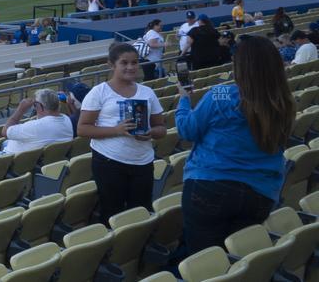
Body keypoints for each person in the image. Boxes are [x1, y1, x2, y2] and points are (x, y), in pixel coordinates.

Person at [175, 36, 295, 258]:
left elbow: (186, 130)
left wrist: (184, 100)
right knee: (238, 261)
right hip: (260, 194)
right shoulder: (283, 101)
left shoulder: (220, 95)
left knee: (206, 262)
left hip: (210, 187)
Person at [77, 42, 166, 222]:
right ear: (112, 65)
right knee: (112, 213)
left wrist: (150, 132)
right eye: (124, 63)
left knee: (141, 212)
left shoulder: (147, 92)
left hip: (143, 161)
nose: (130, 67)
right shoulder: (99, 92)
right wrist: (116, 130)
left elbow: (161, 128)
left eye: (134, 62)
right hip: (109, 162)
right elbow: (82, 128)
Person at [0, 89, 74, 161]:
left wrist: (20, 110)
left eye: (35, 105)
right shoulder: (66, 119)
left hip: (13, 160)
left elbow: (5, 131)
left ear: (39, 106)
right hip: (39, 157)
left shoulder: (35, 126)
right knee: (5, 142)